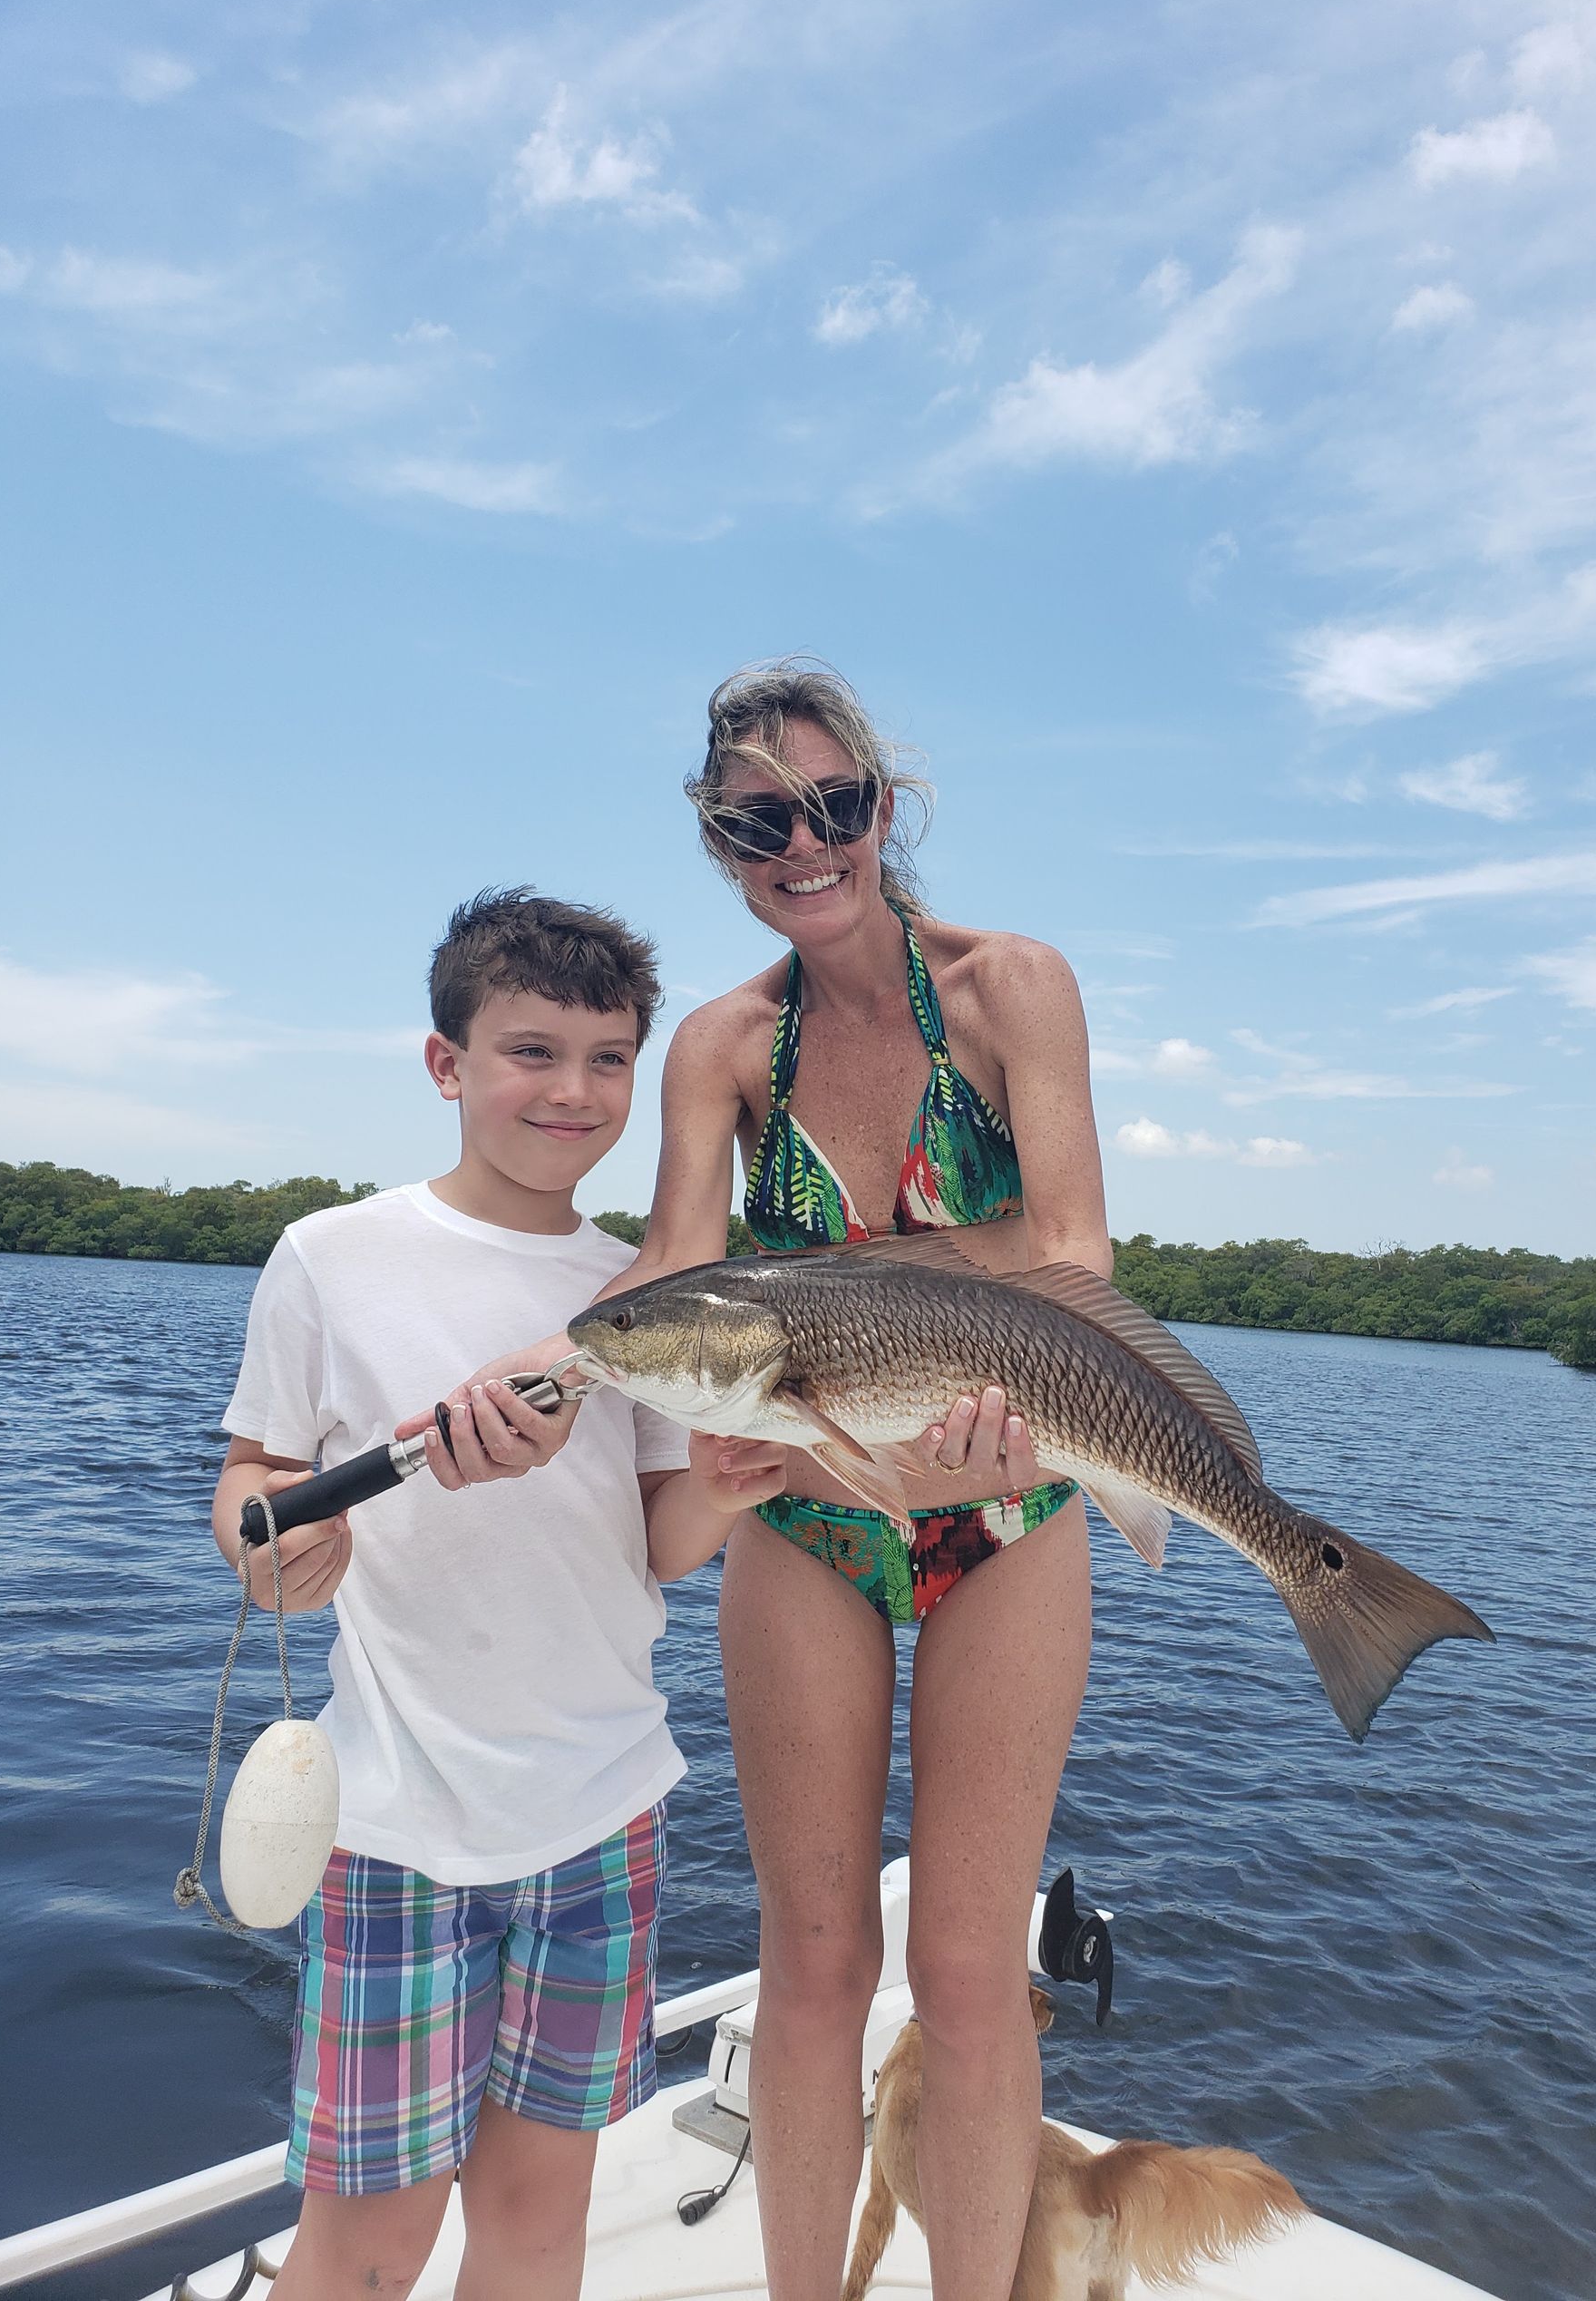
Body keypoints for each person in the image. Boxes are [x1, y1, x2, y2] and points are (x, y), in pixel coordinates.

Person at [421, 668, 1113, 2301]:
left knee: (967, 1972)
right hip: (802, 1505)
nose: (802, 846)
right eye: (755, 824)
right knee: (810, 1964)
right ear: (720, 845)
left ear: (885, 805)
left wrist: (864, 1296)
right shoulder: (724, 1045)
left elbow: (1075, 1254)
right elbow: (674, 1265)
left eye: (833, 806)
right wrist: (533, 1381)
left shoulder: (1013, 988)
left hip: (1009, 1499)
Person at [210, 889, 782, 2301]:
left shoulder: (651, 1291)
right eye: (532, 1052)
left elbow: (658, 1544)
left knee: (537, 2227)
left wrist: (725, 1482)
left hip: (603, 1816)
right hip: (397, 1824)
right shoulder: (330, 1256)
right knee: (370, 2246)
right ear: (446, 1062)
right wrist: (271, 1548)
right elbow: (255, 1478)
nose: (573, 1091)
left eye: (609, 1059)